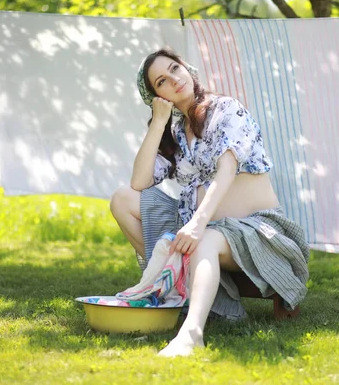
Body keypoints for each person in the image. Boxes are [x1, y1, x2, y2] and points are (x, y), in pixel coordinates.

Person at [110, 48, 309, 357]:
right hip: (202, 222)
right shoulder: (176, 130)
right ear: (157, 96)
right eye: (162, 81)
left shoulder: (226, 109)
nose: (174, 79)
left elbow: (227, 170)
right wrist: (158, 123)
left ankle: (192, 333)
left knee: (205, 238)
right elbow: (139, 183)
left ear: (187, 68)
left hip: (255, 230)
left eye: (175, 68)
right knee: (122, 198)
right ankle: (169, 292)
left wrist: (197, 224)